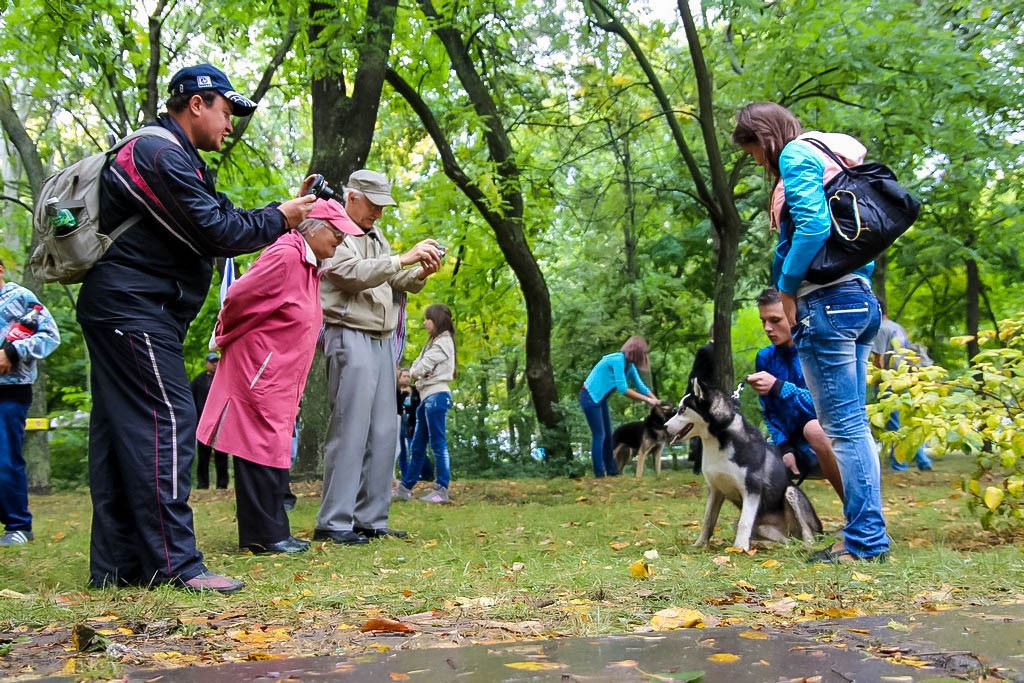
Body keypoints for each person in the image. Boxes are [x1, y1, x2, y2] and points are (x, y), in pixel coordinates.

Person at [77, 63, 317, 592]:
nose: (231, 125)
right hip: (134, 311)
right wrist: (283, 217)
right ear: (197, 103)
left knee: (121, 436)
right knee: (167, 421)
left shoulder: (174, 158)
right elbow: (218, 230)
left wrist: (285, 210)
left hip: (129, 310)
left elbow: (221, 215)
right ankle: (176, 564)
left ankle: (118, 567)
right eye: (227, 112)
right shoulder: (157, 152)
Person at [733, 102, 888, 564]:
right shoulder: (835, 156)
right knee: (853, 429)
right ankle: (866, 534)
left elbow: (817, 226)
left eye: (755, 152)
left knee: (843, 430)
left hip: (828, 304)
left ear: (765, 137)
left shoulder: (798, 154)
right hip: (860, 300)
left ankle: (866, 543)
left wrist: (786, 287)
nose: (759, 162)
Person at [198, 198, 361, 554]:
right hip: (260, 370)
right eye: (336, 233)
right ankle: (264, 536)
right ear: (313, 228)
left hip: (279, 374)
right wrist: (225, 337)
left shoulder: (308, 263)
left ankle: (273, 531)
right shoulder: (286, 255)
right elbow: (239, 296)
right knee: (257, 448)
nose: (341, 241)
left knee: (272, 448)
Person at [314, 170, 442, 544]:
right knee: (350, 427)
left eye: (383, 206)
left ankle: (371, 519)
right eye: (374, 204)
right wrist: (401, 259)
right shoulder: (333, 231)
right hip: (349, 333)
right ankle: (335, 521)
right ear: (352, 197)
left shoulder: (375, 235)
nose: (379, 213)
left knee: (385, 431)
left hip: (383, 340)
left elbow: (391, 280)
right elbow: (350, 274)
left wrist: (419, 273)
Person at [747, 287, 844, 502]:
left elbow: (825, 407)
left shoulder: (817, 350)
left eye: (775, 320)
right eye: (763, 321)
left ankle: (856, 515)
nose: (768, 328)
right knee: (752, 451)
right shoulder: (765, 358)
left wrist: (779, 386)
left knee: (814, 430)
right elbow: (769, 411)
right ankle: (774, 523)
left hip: (829, 442)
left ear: (793, 314)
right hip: (790, 445)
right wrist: (784, 446)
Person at [0, 258, 60, 547]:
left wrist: (13, 351)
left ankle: (18, 525)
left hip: (10, 392)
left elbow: (51, 336)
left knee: (5, 458)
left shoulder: (20, 298)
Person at [394, 304, 456, 503]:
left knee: (438, 444)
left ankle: (441, 490)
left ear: (436, 319)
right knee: (418, 445)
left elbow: (419, 368)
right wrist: (417, 369)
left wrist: (416, 371)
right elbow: (416, 366)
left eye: (427, 318)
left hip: (437, 396)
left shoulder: (442, 343)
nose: (424, 322)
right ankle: (406, 487)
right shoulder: (433, 342)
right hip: (427, 397)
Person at [579, 337, 660, 477]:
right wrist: (647, 400)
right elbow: (623, 389)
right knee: (600, 435)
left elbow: (641, 386)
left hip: (600, 398)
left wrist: (655, 400)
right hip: (589, 397)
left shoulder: (630, 367)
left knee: (608, 437)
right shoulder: (617, 361)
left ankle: (612, 472)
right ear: (636, 352)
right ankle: (599, 474)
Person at [871, 297, 933, 471]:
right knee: (908, 423)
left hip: (890, 381)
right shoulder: (898, 327)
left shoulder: (880, 329)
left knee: (895, 426)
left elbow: (879, 358)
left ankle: (899, 465)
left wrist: (877, 381)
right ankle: (923, 461)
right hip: (905, 378)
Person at [190, 352, 229, 489]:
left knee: (221, 454)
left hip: (221, 423)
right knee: (203, 455)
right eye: (212, 361)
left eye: (217, 361)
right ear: (206, 363)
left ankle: (222, 484)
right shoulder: (198, 381)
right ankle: (202, 483)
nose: (214, 364)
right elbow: (191, 401)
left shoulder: (224, 379)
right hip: (203, 423)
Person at [395, 368, 431, 482]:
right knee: (401, 451)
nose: (406, 378)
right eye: (403, 376)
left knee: (415, 448)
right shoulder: (395, 392)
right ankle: (406, 476)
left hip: (413, 424)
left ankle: (427, 475)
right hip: (399, 423)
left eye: (407, 376)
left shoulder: (416, 390)